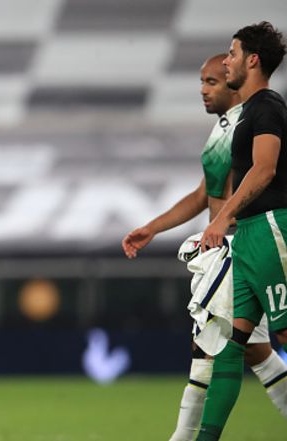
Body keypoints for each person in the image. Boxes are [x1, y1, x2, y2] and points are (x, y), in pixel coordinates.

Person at [122, 52, 287, 440]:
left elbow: (257, 178)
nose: (204, 90)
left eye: (212, 81)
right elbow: (204, 194)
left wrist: (225, 221)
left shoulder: (250, 122)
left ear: (233, 84)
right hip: (227, 246)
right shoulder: (224, 129)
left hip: (237, 245)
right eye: (202, 82)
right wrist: (152, 228)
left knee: (210, 350)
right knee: (251, 350)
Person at [195, 22, 287, 440]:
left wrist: (221, 217)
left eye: (231, 53)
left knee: (283, 331)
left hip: (270, 228)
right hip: (250, 235)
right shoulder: (249, 112)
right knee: (232, 346)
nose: (226, 61)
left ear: (252, 60)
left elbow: (265, 170)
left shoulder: (267, 105)